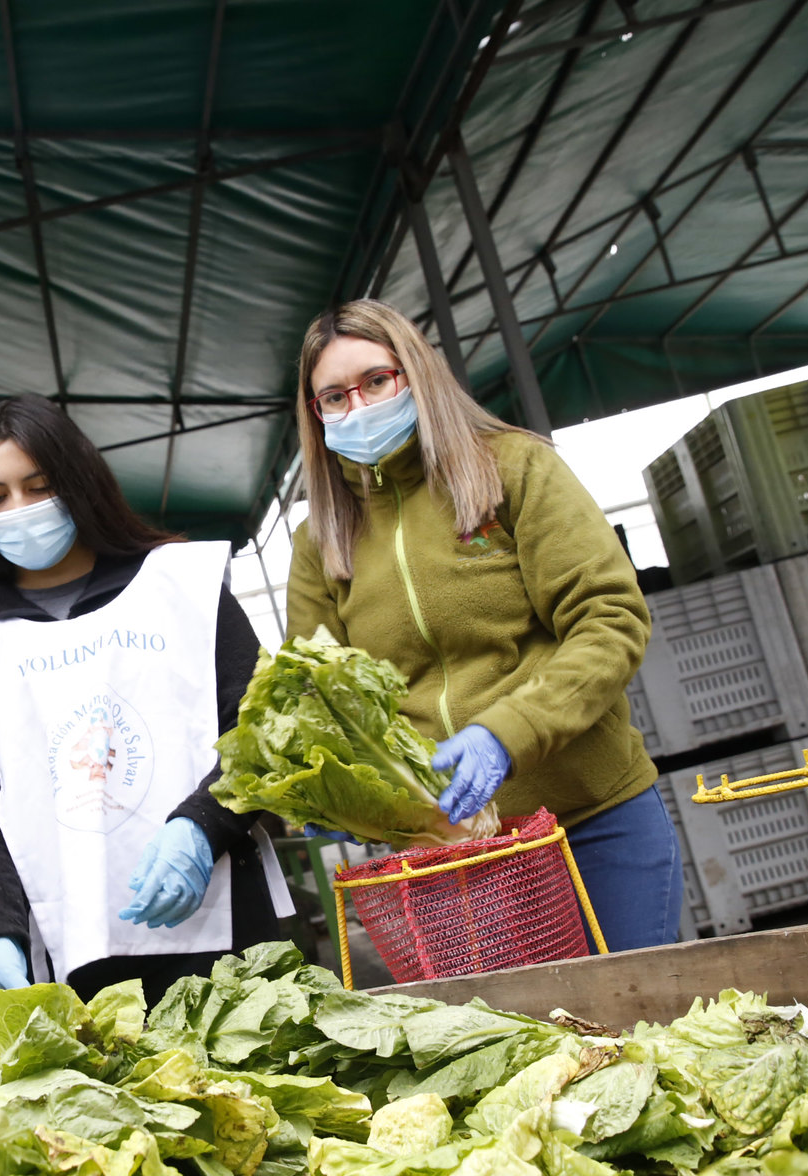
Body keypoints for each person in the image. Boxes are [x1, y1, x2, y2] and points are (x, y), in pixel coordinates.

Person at [285, 300, 680, 950]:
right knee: (520, 1048)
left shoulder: (513, 470)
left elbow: (608, 620)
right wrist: (340, 792)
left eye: (376, 381)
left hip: (588, 818)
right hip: (455, 856)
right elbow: (319, 695)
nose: (357, 407)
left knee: (634, 1030)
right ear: (315, 411)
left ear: (414, 372)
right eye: (333, 396)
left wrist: (505, 734)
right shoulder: (321, 539)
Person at [0, 396, 297, 1009]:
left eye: (38, 486)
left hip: (225, 920)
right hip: (83, 957)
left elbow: (265, 723)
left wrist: (203, 826)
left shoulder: (179, 585)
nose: (18, 510)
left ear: (78, 480)